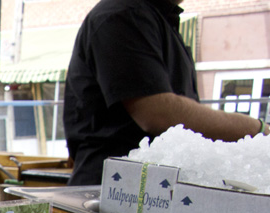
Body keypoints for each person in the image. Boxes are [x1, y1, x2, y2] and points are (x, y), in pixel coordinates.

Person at [64, 0, 267, 186]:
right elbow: (158, 114)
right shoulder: (123, 14)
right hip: (113, 190)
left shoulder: (153, 18)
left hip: (146, 188)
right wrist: (256, 130)